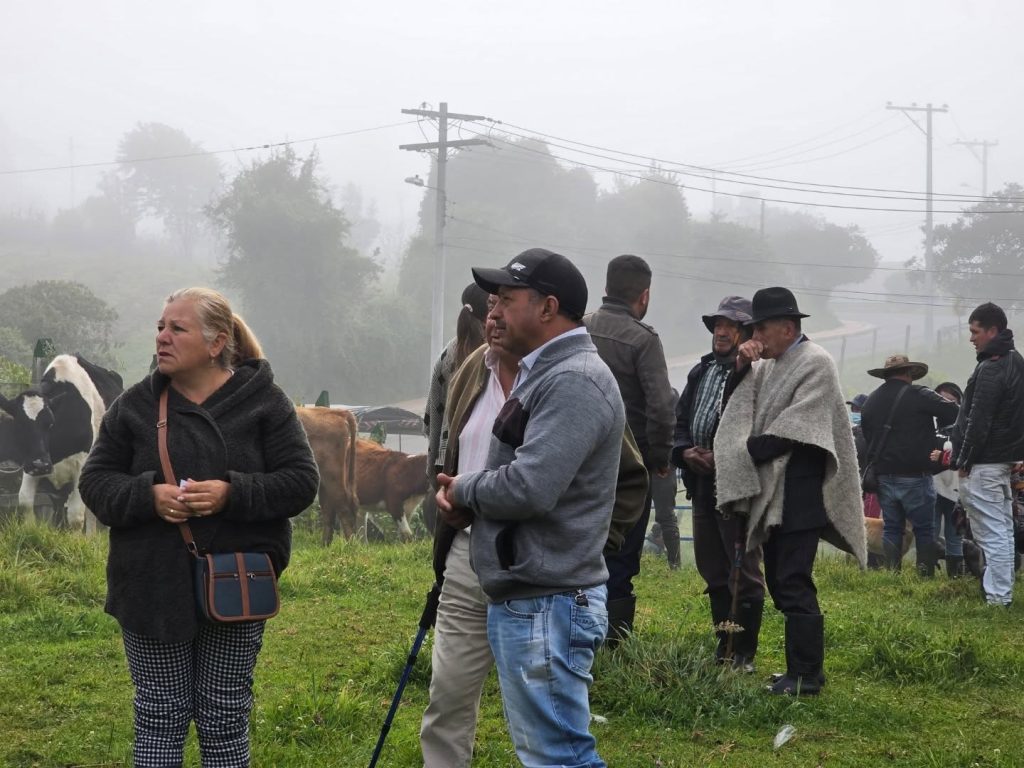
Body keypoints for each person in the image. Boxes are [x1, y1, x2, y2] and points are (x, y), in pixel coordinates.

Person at [78, 287, 319, 767]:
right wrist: (147, 496)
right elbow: (96, 482)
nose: (162, 337)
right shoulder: (134, 406)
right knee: (160, 716)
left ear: (216, 343)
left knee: (224, 716)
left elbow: (300, 482)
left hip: (237, 584)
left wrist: (233, 493)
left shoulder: (265, 403)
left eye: (177, 328)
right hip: (150, 586)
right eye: (160, 327)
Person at [421, 292, 646, 767]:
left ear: (544, 311)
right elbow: (445, 449)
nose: (493, 316)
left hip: (540, 573)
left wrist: (586, 547)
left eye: (505, 303)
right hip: (469, 555)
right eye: (491, 305)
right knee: (447, 696)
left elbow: (627, 477)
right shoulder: (471, 370)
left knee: (551, 743)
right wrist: (452, 503)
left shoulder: (570, 380)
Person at [713, 287, 866, 696]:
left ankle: (807, 676)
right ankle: (799, 670)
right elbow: (737, 407)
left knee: (793, 581)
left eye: (761, 328)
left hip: (801, 495)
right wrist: (741, 366)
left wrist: (745, 450)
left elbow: (797, 429)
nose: (756, 336)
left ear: (787, 327)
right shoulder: (766, 365)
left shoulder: (816, 362)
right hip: (774, 493)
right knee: (781, 583)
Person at [671, 296, 766, 671]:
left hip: (736, 486)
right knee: (712, 568)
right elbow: (680, 421)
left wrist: (723, 456)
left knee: (743, 571)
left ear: (747, 333)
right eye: (718, 325)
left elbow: (757, 427)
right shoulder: (702, 371)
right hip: (700, 484)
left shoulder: (756, 373)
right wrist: (683, 452)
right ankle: (724, 649)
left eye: (732, 326)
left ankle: (743, 653)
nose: (722, 332)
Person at [584, 254, 676, 643]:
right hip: (628, 467)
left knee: (579, 546)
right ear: (644, 295)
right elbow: (661, 406)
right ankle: (613, 639)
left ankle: (575, 628)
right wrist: (659, 458)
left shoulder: (579, 327)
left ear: (606, 287)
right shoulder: (644, 340)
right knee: (621, 552)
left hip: (577, 458)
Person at [951, 302, 1024, 607]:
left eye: (975, 331)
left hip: (984, 461)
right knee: (1002, 531)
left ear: (992, 330)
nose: (971, 338)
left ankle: (998, 598)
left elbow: (978, 420)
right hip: (1003, 458)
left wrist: (964, 459)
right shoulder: (1015, 360)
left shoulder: (992, 366)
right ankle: (999, 593)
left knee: (993, 534)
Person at [861, 355, 959, 576]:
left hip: (883, 476)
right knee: (924, 529)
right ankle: (924, 575)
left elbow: (867, 435)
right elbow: (953, 411)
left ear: (886, 375)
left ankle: (893, 574)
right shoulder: (919, 394)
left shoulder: (871, 400)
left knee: (892, 527)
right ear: (909, 373)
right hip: (916, 476)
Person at [422, 283, 489, 531]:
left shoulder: (446, 354)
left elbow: (431, 419)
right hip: (483, 472)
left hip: (446, 469)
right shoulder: (495, 355)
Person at [931, 381, 965, 577]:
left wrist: (943, 457)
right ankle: (926, 573)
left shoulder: (965, 426)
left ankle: (955, 578)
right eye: (940, 400)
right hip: (932, 486)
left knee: (955, 534)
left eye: (950, 401)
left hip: (956, 488)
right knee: (930, 532)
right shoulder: (927, 423)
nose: (945, 405)